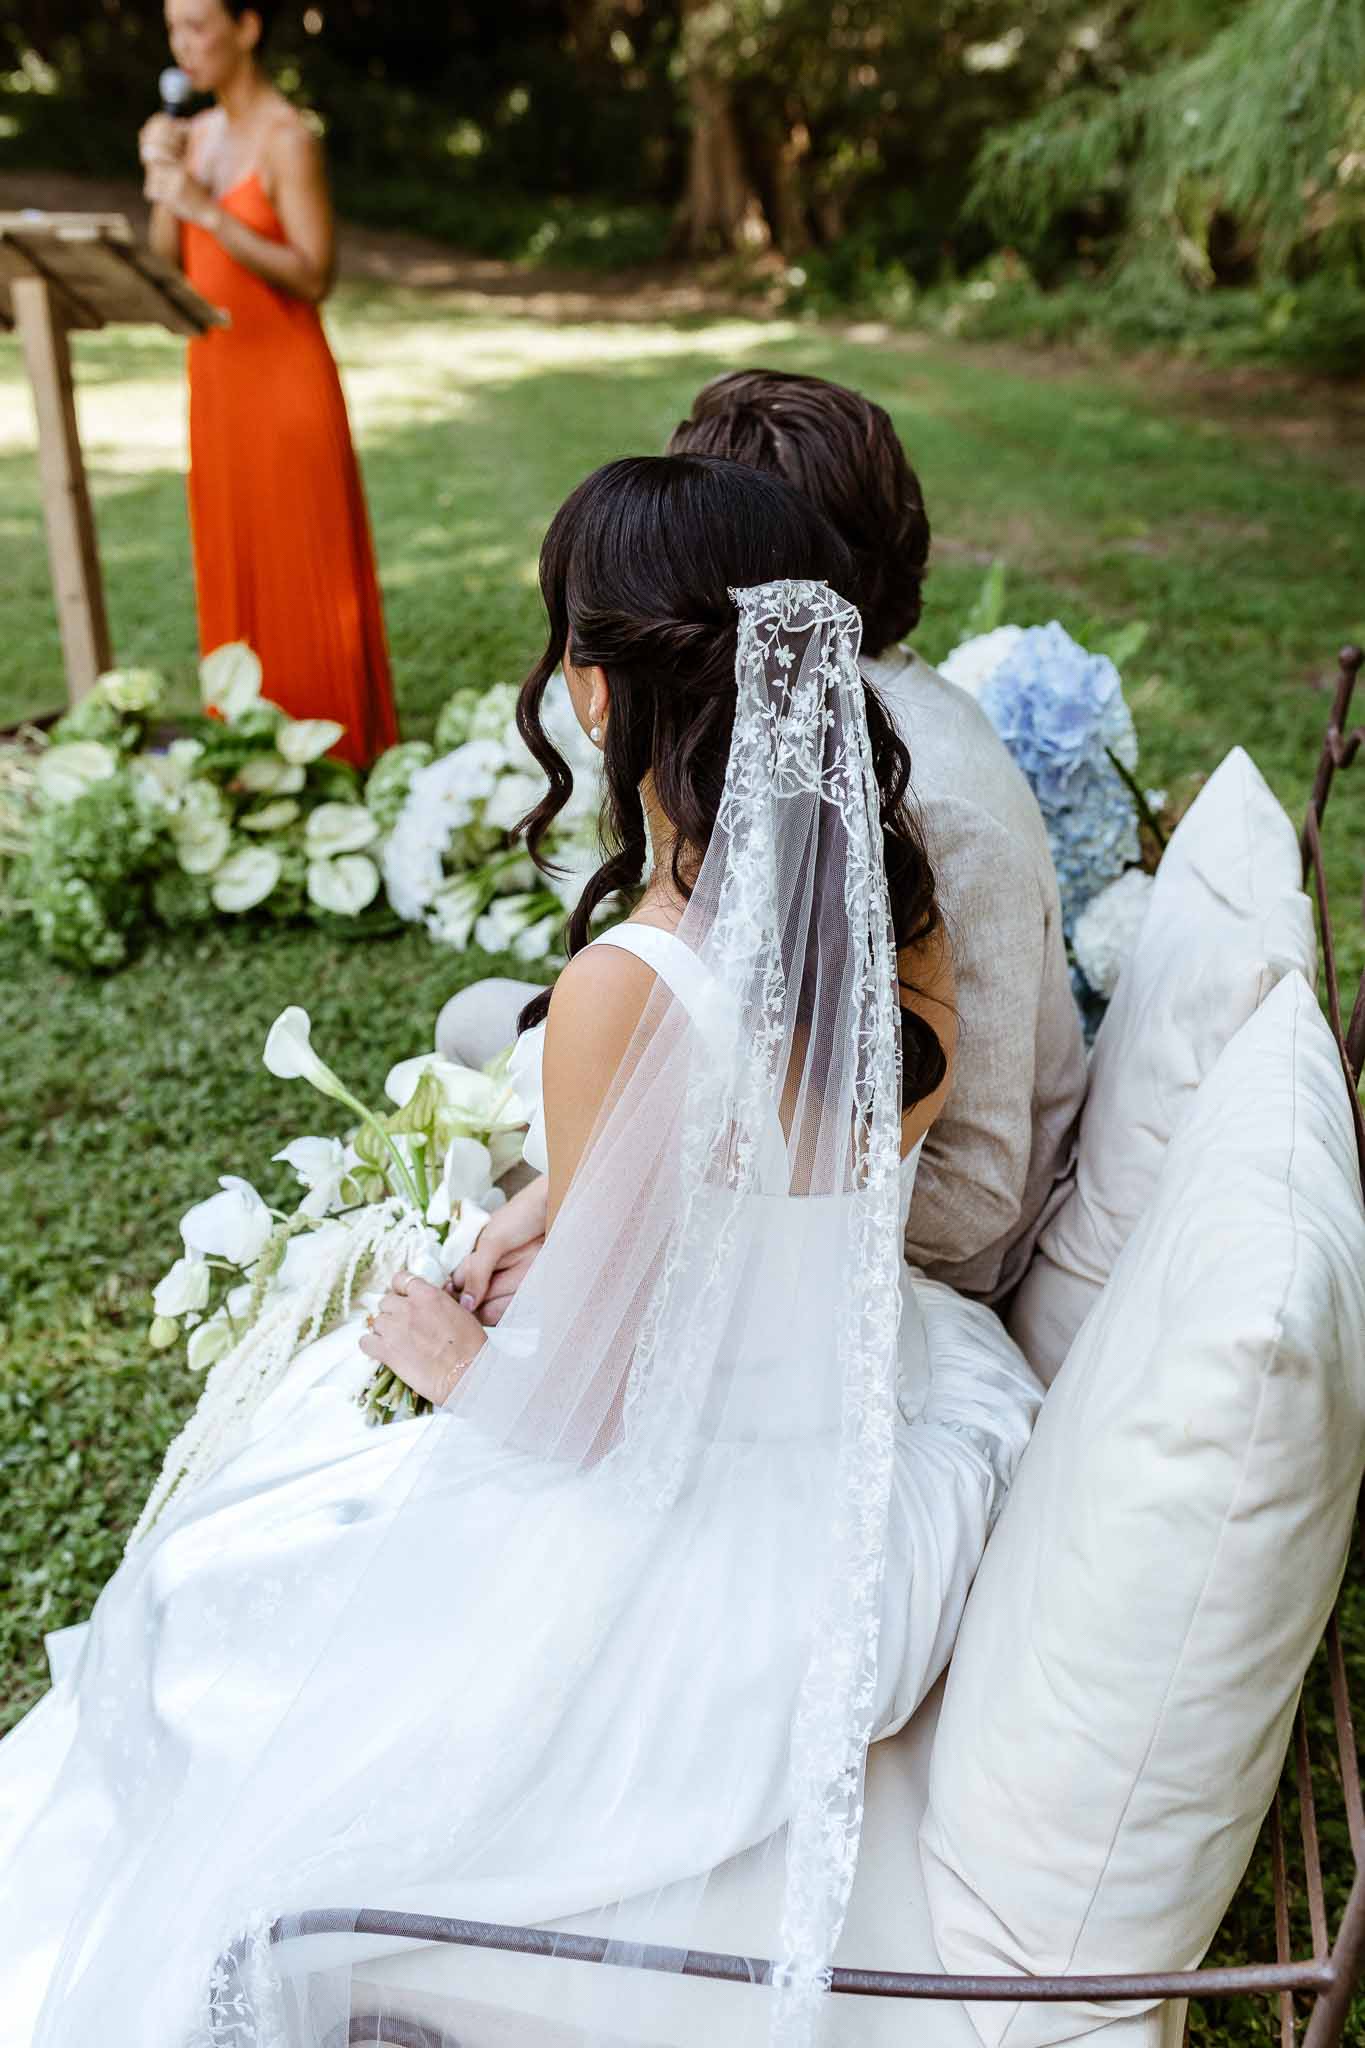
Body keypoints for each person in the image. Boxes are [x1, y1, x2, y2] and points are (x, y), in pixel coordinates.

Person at [0, 457, 1040, 2047]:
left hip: (722, 1563)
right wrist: (572, 1195)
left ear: (600, 687)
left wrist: (449, 1355)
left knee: (218, 1600)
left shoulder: (634, 981)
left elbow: (589, 1420)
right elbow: (791, 1170)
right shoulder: (884, 909)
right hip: (877, 1447)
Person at [441, 370, 1085, 1307]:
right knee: (504, 1031)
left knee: (483, 1030)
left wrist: (652, 1197)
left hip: (893, 1257)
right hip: (800, 1174)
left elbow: (970, 1191)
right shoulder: (812, 740)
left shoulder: (923, 815)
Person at [138, 0, 399, 769]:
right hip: (215, 380)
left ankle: (333, 757)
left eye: (198, 25)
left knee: (300, 566)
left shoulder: (287, 137)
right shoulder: (193, 133)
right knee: (234, 558)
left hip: (285, 382)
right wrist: (162, 179)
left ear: (247, 27)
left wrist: (209, 213)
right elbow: (164, 263)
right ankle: (248, 757)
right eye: (174, 28)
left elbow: (314, 275)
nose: (184, 45)